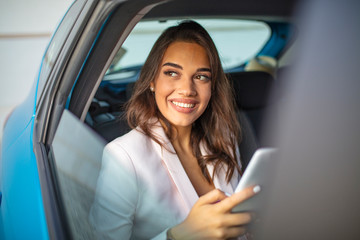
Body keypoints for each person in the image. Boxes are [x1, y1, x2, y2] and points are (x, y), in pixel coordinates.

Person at [90, 20, 260, 240]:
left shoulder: (223, 136)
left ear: (212, 86)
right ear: (152, 81)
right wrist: (178, 235)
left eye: (201, 77)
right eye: (172, 73)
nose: (187, 90)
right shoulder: (124, 157)